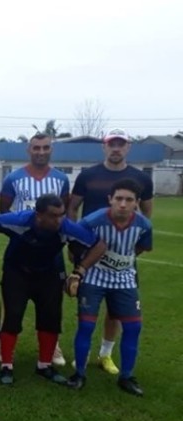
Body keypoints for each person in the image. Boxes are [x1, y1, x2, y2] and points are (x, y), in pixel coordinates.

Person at [0, 194, 106, 386]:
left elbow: (100, 245)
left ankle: (44, 365)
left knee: (51, 318)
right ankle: (7, 366)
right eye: (54, 216)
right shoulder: (19, 220)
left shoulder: (66, 227)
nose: (59, 220)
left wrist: (79, 271)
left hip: (49, 273)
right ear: (39, 215)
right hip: (17, 271)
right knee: (11, 316)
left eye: (62, 215)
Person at [68, 128, 154, 375]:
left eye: (121, 144)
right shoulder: (88, 175)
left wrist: (128, 246)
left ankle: (105, 354)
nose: (116, 148)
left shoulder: (141, 178)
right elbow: (73, 208)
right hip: (91, 252)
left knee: (117, 309)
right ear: (104, 147)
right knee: (87, 314)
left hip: (123, 254)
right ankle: (81, 363)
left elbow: (147, 213)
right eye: (111, 144)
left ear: (128, 148)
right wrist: (76, 247)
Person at [0, 133, 71, 365]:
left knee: (51, 303)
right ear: (28, 150)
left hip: (51, 252)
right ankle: (3, 346)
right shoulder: (14, 178)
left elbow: (65, 210)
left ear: (52, 150)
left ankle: (53, 347)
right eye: (36, 148)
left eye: (46, 148)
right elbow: (4, 210)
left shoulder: (61, 179)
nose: (41, 152)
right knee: (13, 303)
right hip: (21, 249)